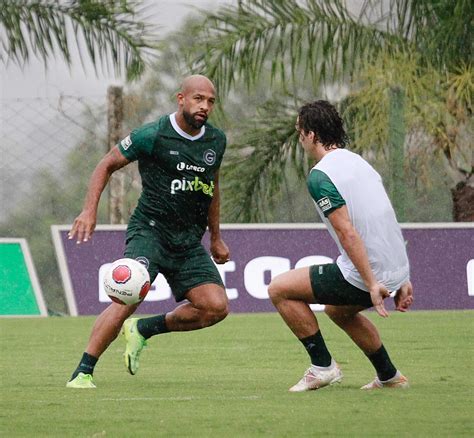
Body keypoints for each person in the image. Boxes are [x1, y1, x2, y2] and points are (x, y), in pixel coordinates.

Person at [66, 74, 230, 388]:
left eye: (210, 101)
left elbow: (213, 187)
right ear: (181, 98)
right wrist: (89, 210)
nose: (205, 106)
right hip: (150, 233)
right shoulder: (153, 134)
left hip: (187, 241)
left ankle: (143, 330)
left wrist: (216, 236)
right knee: (128, 296)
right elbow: (106, 164)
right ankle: (83, 372)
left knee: (215, 307)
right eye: (198, 98)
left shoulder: (216, 141)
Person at [268, 100, 414, 392]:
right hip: (394, 269)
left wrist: (372, 283)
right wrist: (403, 277)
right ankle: (389, 375)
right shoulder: (359, 162)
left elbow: (347, 232)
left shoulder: (320, 175)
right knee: (337, 310)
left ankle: (322, 367)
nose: (300, 140)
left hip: (367, 275)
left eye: (300, 133)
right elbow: (385, 215)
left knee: (279, 289)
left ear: (311, 135)